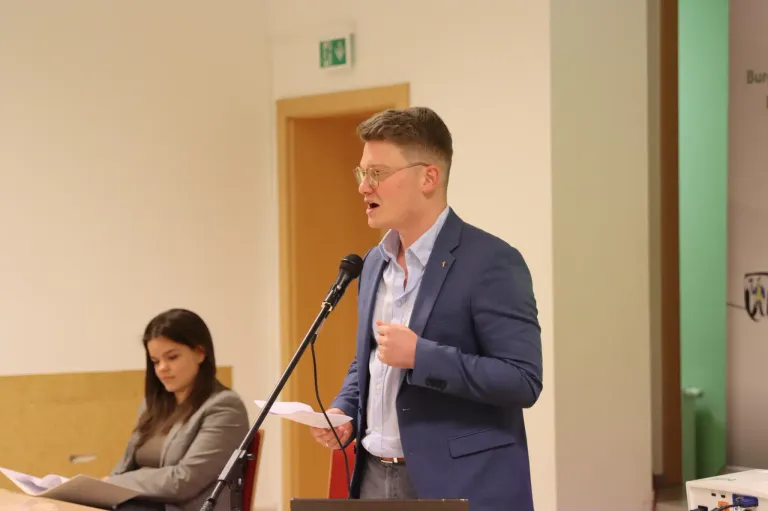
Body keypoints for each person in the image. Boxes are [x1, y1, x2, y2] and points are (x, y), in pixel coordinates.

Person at [309, 107, 543, 511]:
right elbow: (370, 358)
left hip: (455, 483)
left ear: (428, 177)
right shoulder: (373, 263)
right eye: (361, 173)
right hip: (371, 476)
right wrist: (345, 407)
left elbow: (522, 380)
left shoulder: (491, 262)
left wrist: (422, 356)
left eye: (378, 174)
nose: (364, 187)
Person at [106, 308, 249, 511]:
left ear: (200, 353)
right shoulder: (153, 404)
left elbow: (184, 481)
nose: (162, 368)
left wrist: (113, 484)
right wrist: (100, 489)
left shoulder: (224, 406)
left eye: (172, 357)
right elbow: (124, 468)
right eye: (155, 361)